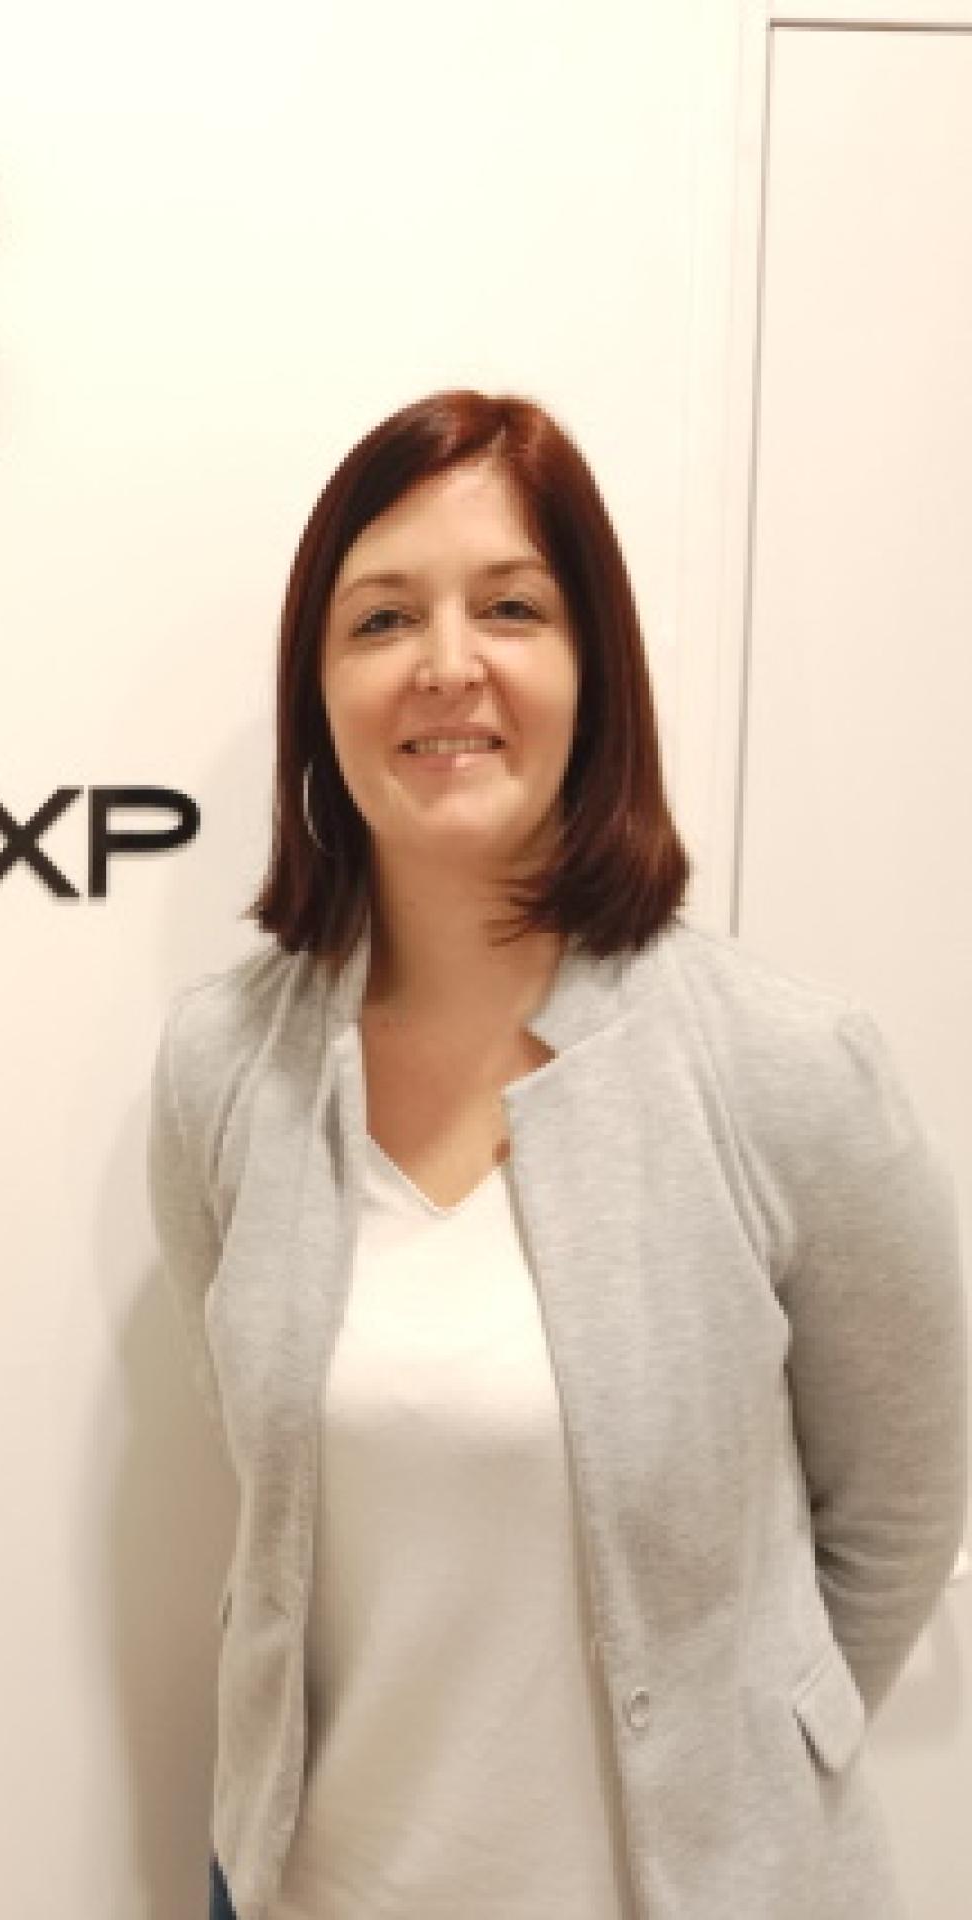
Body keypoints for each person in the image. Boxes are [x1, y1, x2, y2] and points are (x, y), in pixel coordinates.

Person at [146, 390, 967, 1920]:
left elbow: (901, 1518)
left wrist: (736, 1785)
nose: (447, 663)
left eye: (511, 607)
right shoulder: (223, 1070)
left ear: (596, 670)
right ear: (319, 690)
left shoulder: (787, 1070)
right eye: (383, 618)